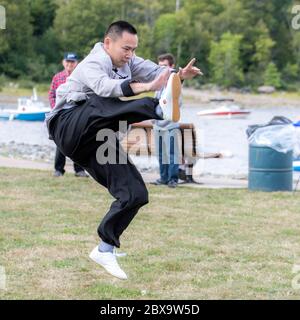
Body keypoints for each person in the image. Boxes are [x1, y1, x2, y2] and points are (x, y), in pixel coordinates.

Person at [46, 21, 202, 280]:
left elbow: (158, 71)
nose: (129, 55)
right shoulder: (93, 63)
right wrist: (149, 88)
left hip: (94, 139)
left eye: (133, 50)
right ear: (108, 43)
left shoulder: (130, 62)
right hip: (67, 125)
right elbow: (106, 88)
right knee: (101, 99)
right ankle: (157, 109)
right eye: (126, 49)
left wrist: (178, 76)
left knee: (135, 193)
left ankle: (105, 248)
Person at [48, 52, 88, 178]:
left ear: (77, 63)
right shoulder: (57, 77)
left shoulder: (82, 77)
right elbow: (51, 94)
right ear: (63, 62)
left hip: (77, 114)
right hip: (61, 114)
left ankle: (79, 170)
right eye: (68, 61)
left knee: (79, 141)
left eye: (72, 62)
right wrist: (56, 108)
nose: (70, 64)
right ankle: (58, 170)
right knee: (60, 141)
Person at [152, 53, 181, 188]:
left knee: (172, 154)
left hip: (171, 125)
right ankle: (163, 178)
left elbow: (177, 104)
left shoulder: (175, 83)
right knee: (161, 154)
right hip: (158, 125)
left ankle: (173, 179)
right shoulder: (159, 83)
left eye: (164, 66)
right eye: (159, 66)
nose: (161, 69)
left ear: (171, 66)